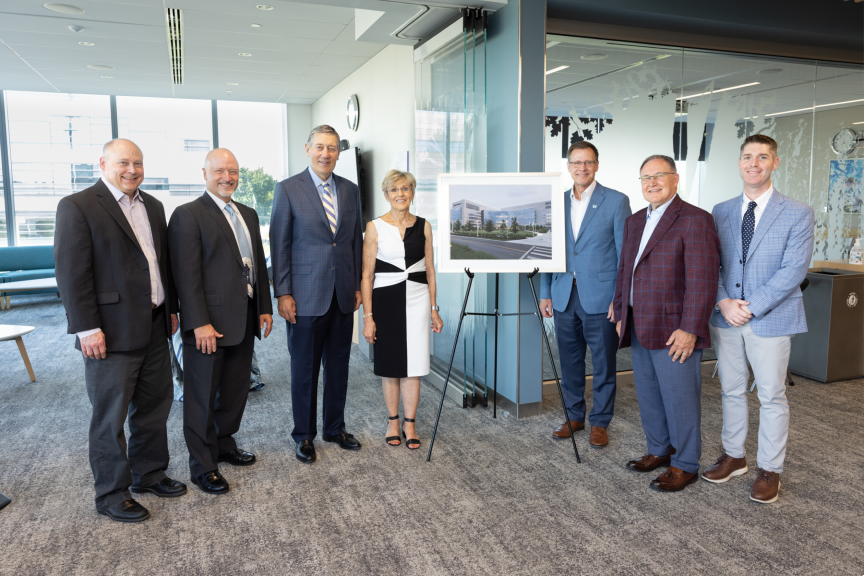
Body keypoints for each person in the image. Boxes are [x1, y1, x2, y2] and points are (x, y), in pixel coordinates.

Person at [54, 138, 185, 523]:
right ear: (103, 164)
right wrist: (86, 328)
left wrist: (171, 309)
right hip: (108, 332)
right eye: (123, 162)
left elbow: (161, 265)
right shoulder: (78, 206)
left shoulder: (154, 206)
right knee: (109, 416)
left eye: (138, 163)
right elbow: (71, 273)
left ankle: (150, 473)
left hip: (156, 324)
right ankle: (111, 493)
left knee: (153, 406)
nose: (132, 170)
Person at [703, 135, 814, 504]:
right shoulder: (719, 211)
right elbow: (710, 264)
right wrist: (723, 301)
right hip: (727, 317)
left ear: (775, 163)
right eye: (748, 157)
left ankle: (770, 469)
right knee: (731, 390)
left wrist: (750, 306)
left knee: (771, 395)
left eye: (762, 157)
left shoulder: (798, 212)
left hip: (770, 317)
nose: (754, 163)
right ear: (739, 163)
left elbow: (793, 269)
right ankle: (734, 456)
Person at [168, 148, 273, 494]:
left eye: (233, 171)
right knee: (201, 396)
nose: (227, 177)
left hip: (243, 319)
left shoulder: (249, 214)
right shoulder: (188, 215)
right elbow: (186, 275)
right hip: (207, 325)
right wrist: (198, 322)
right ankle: (203, 465)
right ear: (204, 173)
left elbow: (257, 263)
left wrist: (264, 307)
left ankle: (225, 444)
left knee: (233, 390)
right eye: (219, 171)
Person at [612, 154, 720, 492]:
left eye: (660, 175)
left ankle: (685, 463)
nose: (652, 182)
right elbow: (624, 270)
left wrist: (690, 328)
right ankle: (660, 450)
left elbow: (702, 281)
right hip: (639, 322)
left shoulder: (694, 219)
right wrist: (619, 310)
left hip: (676, 329)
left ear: (675, 179)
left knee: (680, 398)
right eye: (645, 177)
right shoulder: (633, 222)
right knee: (649, 395)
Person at [270, 125, 364, 464]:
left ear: (339, 152)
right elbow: (279, 244)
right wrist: (283, 293)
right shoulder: (288, 189)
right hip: (305, 296)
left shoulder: (351, 191)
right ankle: (304, 435)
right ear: (307, 148)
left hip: (342, 295)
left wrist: (355, 286)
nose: (326, 153)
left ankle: (334, 428)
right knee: (305, 369)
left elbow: (354, 241)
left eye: (333, 148)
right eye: (320, 147)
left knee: (339, 365)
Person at [539, 142, 631, 448]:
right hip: (564, 294)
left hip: (601, 297)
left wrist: (618, 300)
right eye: (576, 163)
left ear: (597, 165)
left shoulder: (616, 201)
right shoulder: (556, 202)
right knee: (570, 362)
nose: (582, 168)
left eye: (588, 162)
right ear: (568, 167)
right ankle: (574, 415)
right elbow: (548, 251)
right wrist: (545, 291)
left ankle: (600, 421)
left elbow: (624, 256)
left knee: (604, 363)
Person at [361, 170, 443, 449]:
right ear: (386, 195)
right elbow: (367, 276)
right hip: (385, 299)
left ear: (412, 193)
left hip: (419, 298)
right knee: (391, 364)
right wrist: (368, 317)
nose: (400, 194)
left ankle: (410, 423)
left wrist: (434, 307)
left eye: (405, 189)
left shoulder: (424, 226)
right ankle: (392, 421)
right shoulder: (374, 227)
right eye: (394, 190)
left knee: (415, 365)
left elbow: (430, 269)